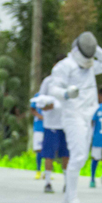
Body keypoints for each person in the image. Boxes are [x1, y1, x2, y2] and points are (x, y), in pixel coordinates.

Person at [46, 32, 102, 203]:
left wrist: (93, 45)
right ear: (76, 51)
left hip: (88, 116)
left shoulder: (90, 64)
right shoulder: (65, 66)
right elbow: (53, 88)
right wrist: (67, 93)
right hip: (73, 115)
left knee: (82, 158)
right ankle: (72, 202)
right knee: (77, 157)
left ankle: (67, 199)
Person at [33, 64, 68, 194]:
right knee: (49, 155)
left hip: (66, 125)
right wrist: (49, 106)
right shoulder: (48, 81)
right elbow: (40, 103)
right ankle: (47, 183)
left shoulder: (70, 81)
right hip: (51, 125)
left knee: (67, 155)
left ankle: (67, 183)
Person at [29, 89, 45, 179]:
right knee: (38, 149)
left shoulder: (52, 96)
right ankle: (38, 170)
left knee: (48, 150)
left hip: (49, 128)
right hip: (39, 127)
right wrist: (39, 116)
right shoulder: (38, 95)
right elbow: (32, 108)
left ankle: (46, 172)